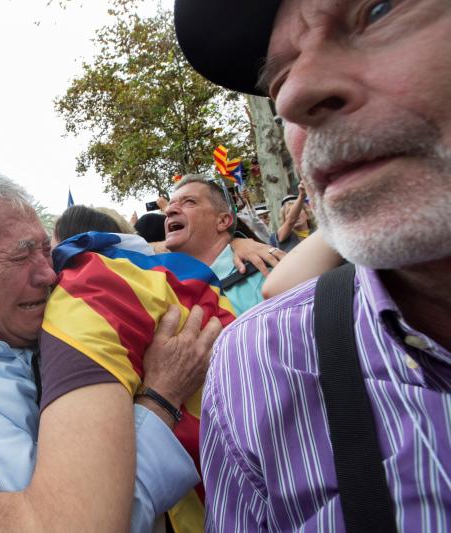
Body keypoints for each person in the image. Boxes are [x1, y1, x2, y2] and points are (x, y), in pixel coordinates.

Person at [174, 0, 451, 530]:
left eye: (378, 11)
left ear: (225, 222)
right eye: (278, 82)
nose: (295, 97)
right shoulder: (255, 366)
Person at [0, 171, 220, 532]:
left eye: (45, 249)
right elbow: (81, 521)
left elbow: (130, 252)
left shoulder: (39, 316)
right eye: (20, 258)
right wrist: (161, 399)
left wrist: (237, 242)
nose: (49, 274)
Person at [164, 175, 270, 316]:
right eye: (171, 204)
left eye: (189, 202)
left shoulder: (264, 278)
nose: (169, 211)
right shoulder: (164, 286)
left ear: (222, 221)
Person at [271, 182, 317, 252]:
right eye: (288, 212)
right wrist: (302, 195)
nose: (296, 215)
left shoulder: (319, 231)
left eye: (299, 210)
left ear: (307, 214)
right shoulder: (282, 236)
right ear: (285, 218)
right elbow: (291, 220)